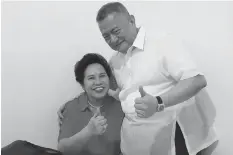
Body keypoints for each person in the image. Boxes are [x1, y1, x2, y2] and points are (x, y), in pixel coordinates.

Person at [58, 2, 218, 155]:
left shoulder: (162, 42)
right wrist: (72, 106)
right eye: (106, 36)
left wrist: (158, 102)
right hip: (135, 146)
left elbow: (196, 80)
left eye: (116, 31)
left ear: (132, 20)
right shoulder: (115, 61)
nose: (112, 40)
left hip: (172, 141)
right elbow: (101, 86)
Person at [57, 53, 124, 155]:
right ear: (82, 84)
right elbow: (62, 149)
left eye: (102, 76)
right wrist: (88, 131)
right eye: (91, 78)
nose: (98, 82)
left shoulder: (120, 107)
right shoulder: (71, 107)